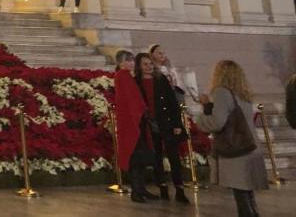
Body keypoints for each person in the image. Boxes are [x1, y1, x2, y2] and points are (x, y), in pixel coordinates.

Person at [193, 59, 268, 217]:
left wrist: (199, 119)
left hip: (236, 150)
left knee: (241, 196)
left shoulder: (221, 92)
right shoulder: (243, 93)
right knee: (248, 196)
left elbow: (218, 122)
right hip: (250, 146)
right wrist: (208, 106)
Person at [135, 52, 190, 203]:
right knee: (156, 157)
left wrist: (177, 124)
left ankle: (179, 188)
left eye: (150, 64)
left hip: (165, 122)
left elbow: (172, 103)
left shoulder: (161, 80)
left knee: (173, 157)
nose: (148, 67)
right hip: (149, 124)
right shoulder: (137, 82)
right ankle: (163, 187)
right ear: (139, 66)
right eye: (145, 64)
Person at [114, 49, 157, 202]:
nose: (132, 63)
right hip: (132, 123)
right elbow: (130, 101)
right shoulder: (122, 76)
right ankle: (136, 191)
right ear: (121, 63)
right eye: (129, 60)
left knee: (140, 157)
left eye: (132, 60)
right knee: (135, 157)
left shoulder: (127, 76)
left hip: (137, 121)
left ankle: (141, 189)